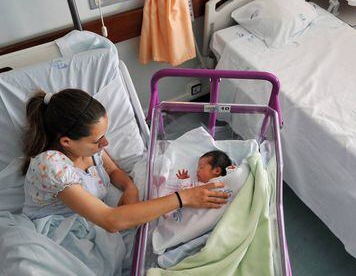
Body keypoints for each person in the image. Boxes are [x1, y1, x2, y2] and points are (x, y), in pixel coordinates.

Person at [22, 88, 229, 233]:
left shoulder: (88, 149)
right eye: (97, 140)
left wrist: (130, 187)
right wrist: (183, 197)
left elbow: (113, 172)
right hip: (60, 231)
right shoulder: (51, 165)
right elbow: (110, 221)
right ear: (66, 141)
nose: (106, 143)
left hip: (94, 220)